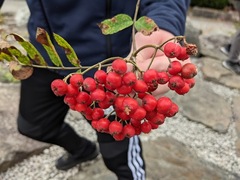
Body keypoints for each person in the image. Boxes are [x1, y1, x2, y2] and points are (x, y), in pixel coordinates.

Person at [0, 1, 190, 179]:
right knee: (33, 127)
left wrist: (166, 21)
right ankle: (83, 151)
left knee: (117, 156)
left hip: (113, 68)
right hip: (46, 56)